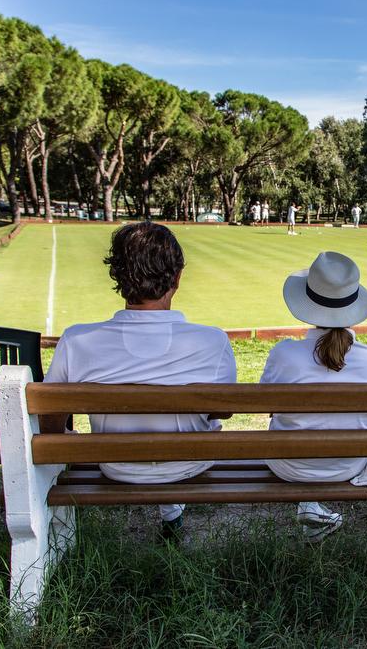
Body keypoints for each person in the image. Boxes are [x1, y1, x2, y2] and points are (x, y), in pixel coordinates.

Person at [44, 222, 236, 540]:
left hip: (115, 465)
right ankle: (171, 514)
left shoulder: (77, 339)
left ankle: (170, 513)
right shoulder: (212, 341)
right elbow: (221, 412)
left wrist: (73, 439)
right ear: (177, 277)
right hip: (188, 464)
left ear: (117, 276)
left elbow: (49, 420)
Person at [262, 252, 367, 541]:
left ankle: (311, 509)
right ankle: (312, 512)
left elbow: (269, 409)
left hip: (287, 465)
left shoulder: (283, 355)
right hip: (349, 465)